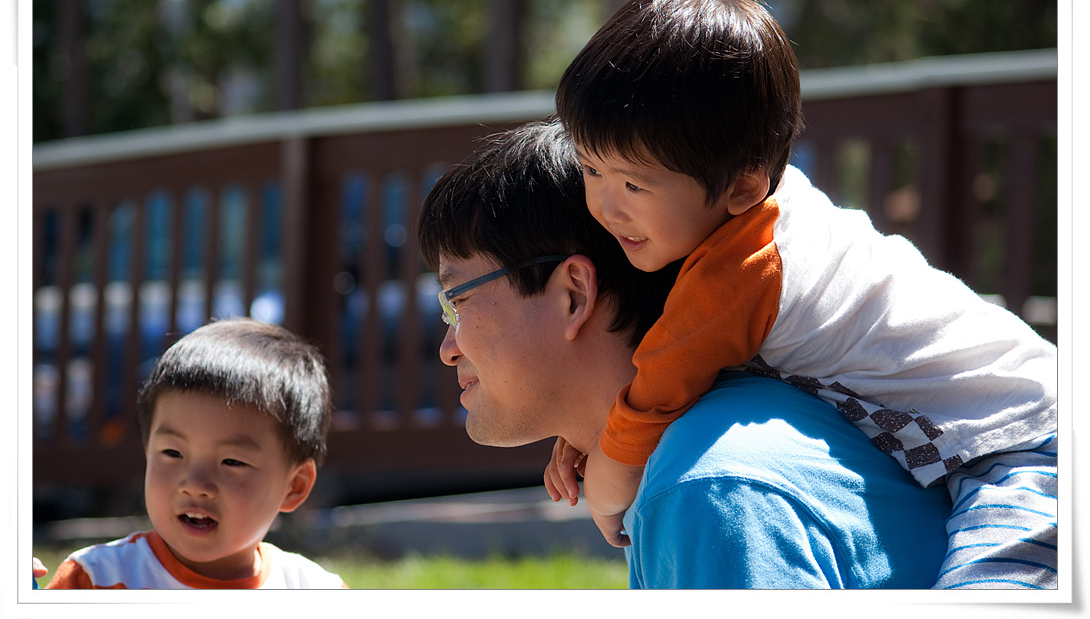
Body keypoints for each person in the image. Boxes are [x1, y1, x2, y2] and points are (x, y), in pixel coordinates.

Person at [548, 0, 1058, 589]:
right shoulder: (767, 204)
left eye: (634, 185)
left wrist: (605, 492)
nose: (605, 207)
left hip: (1028, 445)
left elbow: (650, 407)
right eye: (590, 169)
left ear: (743, 186)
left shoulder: (740, 274)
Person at [417, 120, 952, 588]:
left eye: (458, 299)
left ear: (574, 295)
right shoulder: (706, 445)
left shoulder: (708, 484)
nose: (447, 348)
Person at [43, 317, 346, 589]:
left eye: (231, 461)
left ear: (294, 486)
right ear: (148, 454)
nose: (195, 485)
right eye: (173, 453)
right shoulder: (97, 580)